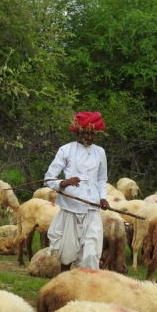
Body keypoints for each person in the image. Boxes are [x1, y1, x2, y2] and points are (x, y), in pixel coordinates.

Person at [45, 111, 110, 271]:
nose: (88, 137)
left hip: (92, 207)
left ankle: (86, 287)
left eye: (92, 134)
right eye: (85, 133)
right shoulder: (66, 150)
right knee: (67, 251)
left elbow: (102, 179)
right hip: (71, 207)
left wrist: (102, 197)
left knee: (91, 251)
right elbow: (49, 178)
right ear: (78, 132)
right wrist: (64, 183)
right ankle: (63, 284)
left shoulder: (100, 152)